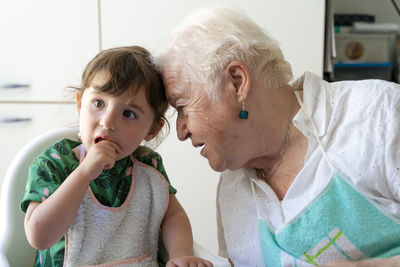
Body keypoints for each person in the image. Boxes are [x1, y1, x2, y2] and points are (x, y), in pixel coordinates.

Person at [155, 6, 400, 267]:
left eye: (182, 106)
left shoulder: (378, 114)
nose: (181, 131)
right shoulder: (232, 189)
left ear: (237, 83)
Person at [21, 46, 212, 267]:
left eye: (128, 114)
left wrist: (181, 254)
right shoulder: (53, 164)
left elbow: (174, 216)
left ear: (152, 129)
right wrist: (83, 173)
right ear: (80, 104)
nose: (108, 122)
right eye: (99, 103)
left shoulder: (149, 166)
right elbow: (39, 237)